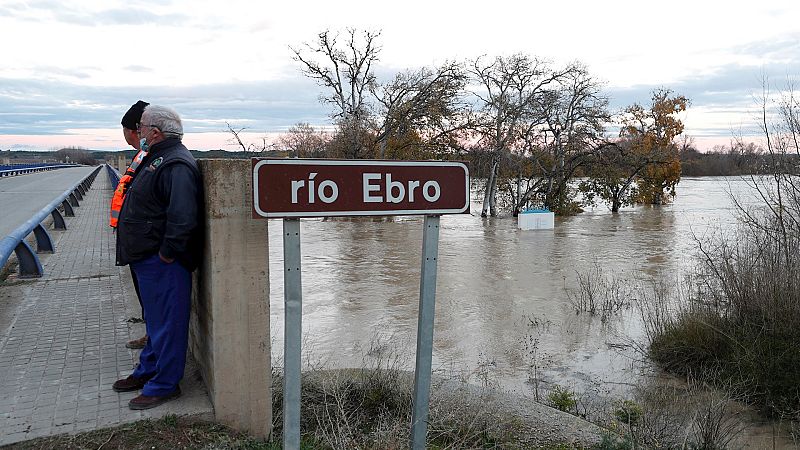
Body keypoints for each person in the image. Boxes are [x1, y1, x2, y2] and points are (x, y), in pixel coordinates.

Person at [111, 104, 203, 410]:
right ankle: (148, 370)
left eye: (142, 128)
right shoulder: (157, 157)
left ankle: (165, 385)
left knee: (167, 324)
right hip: (146, 258)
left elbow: (183, 216)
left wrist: (166, 254)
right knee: (155, 323)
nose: (139, 134)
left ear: (155, 132)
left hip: (163, 262)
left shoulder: (175, 163)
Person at [113, 100, 150, 350]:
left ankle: (152, 339)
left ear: (131, 131)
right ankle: (150, 334)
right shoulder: (142, 156)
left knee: (151, 296)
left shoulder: (149, 156)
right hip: (135, 240)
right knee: (144, 294)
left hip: (145, 242)